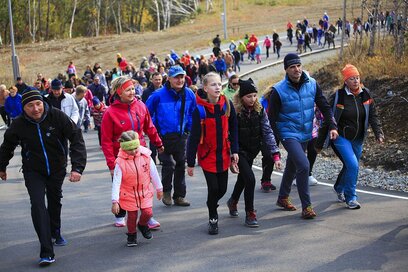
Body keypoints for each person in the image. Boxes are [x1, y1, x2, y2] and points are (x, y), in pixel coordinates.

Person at [0, 89, 86, 266]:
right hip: (33, 170)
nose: (36, 109)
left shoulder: (57, 116)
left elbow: (76, 138)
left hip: (56, 168)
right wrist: (1, 167)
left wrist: (77, 167)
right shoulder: (19, 124)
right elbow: (7, 146)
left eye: (38, 104)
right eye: (30, 106)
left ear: (43, 103)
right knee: (38, 204)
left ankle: (55, 230)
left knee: (54, 201)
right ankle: (46, 251)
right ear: (24, 108)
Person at [268, 53, 338, 219]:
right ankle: (306, 207)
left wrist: (332, 125)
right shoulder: (278, 91)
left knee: (293, 165)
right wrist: (273, 147)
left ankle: (283, 197)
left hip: (306, 132)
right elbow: (271, 120)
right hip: (288, 132)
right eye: (292, 67)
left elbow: (325, 106)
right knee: (304, 165)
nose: (297, 69)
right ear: (286, 69)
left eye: (298, 65)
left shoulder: (312, 84)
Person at [316, 64, 384, 209]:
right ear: (345, 81)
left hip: (358, 138)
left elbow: (373, 115)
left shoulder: (366, 94)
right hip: (341, 137)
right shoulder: (338, 96)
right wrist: (319, 143)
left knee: (350, 166)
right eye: (351, 78)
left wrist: (379, 133)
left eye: (357, 78)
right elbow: (328, 119)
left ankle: (339, 187)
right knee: (353, 165)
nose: (355, 81)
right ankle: (351, 198)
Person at [101, 76, 164, 229]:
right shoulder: (110, 113)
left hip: (140, 153)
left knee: (143, 184)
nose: (132, 92)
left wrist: (158, 143)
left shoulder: (141, 106)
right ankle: (121, 214)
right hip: (121, 157)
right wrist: (111, 164)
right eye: (128, 90)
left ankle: (147, 216)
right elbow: (106, 141)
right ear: (119, 92)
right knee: (123, 186)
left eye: (132, 89)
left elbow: (150, 127)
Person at [186, 72, 238, 235]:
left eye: (219, 84)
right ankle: (213, 218)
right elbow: (193, 137)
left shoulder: (226, 105)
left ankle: (211, 204)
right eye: (213, 84)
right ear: (206, 88)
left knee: (222, 189)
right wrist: (190, 162)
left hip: (223, 154)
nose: (218, 87)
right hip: (207, 156)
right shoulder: (199, 110)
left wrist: (234, 150)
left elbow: (234, 129)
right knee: (213, 187)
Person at [226, 78, 282, 228]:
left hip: (252, 150)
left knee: (243, 180)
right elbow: (228, 134)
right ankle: (250, 213)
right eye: (248, 96)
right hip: (239, 151)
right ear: (241, 97)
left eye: (254, 95)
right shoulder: (234, 112)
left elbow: (268, 132)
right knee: (250, 179)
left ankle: (232, 201)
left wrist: (275, 154)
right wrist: (231, 154)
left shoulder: (260, 111)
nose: (252, 99)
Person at [146, 65, 197, 207]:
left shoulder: (189, 94)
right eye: (176, 77)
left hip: (181, 136)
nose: (180, 80)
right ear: (168, 78)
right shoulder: (157, 95)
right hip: (163, 137)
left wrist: (188, 129)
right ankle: (166, 191)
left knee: (180, 164)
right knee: (168, 164)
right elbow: (146, 114)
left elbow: (192, 113)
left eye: (182, 77)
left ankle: (179, 196)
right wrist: (152, 132)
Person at [111, 130, 163, 246]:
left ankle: (143, 225)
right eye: (130, 149)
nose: (134, 151)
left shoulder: (146, 157)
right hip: (128, 193)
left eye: (135, 147)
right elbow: (116, 182)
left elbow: (153, 173)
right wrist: (115, 201)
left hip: (144, 191)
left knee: (148, 212)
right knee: (132, 216)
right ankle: (131, 234)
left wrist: (159, 188)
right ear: (123, 148)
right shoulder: (120, 162)